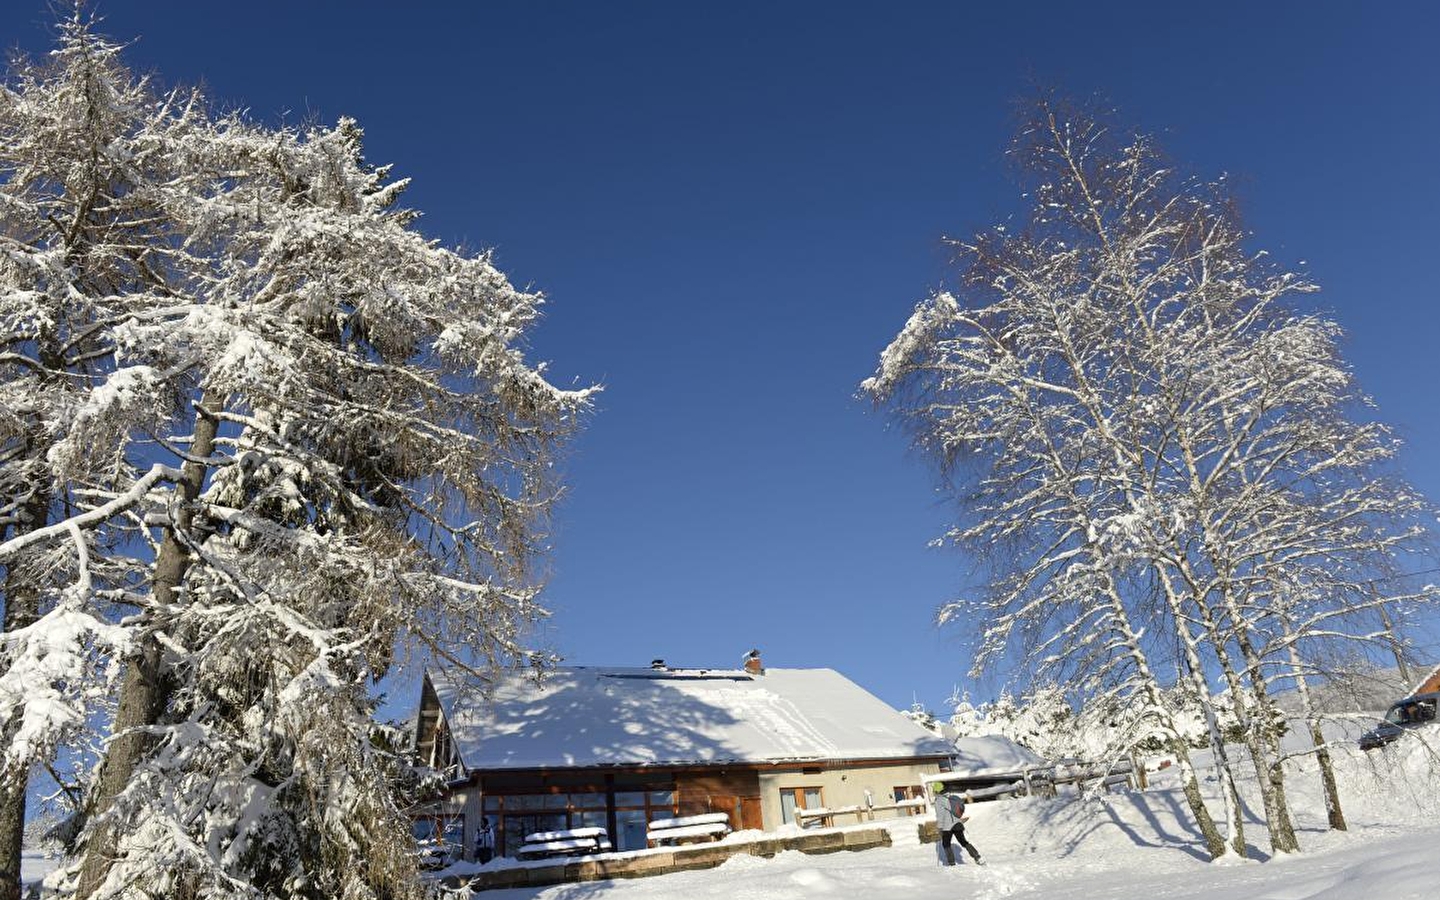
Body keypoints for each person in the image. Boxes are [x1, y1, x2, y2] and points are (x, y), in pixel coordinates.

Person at [933, 786, 982, 866]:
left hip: (947, 826)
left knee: (946, 844)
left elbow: (940, 815)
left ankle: (951, 863)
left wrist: (940, 827)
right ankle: (977, 856)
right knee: (963, 841)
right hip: (958, 824)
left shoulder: (939, 800)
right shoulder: (952, 797)